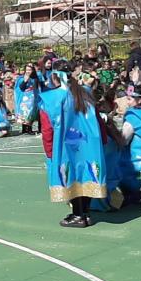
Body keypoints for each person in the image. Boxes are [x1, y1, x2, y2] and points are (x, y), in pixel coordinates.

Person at [40, 73, 106, 228]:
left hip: (67, 144)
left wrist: (49, 150)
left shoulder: (52, 99)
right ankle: (85, 212)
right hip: (90, 142)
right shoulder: (85, 93)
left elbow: (47, 127)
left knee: (72, 175)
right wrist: (103, 139)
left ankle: (77, 214)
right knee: (86, 174)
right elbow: (98, 119)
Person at [15, 63, 39, 135]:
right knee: (25, 112)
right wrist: (25, 81)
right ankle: (24, 128)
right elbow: (21, 88)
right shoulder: (21, 78)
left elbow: (37, 87)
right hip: (24, 97)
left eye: (30, 70)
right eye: (27, 70)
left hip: (32, 97)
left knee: (31, 113)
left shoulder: (35, 78)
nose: (28, 71)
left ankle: (29, 128)